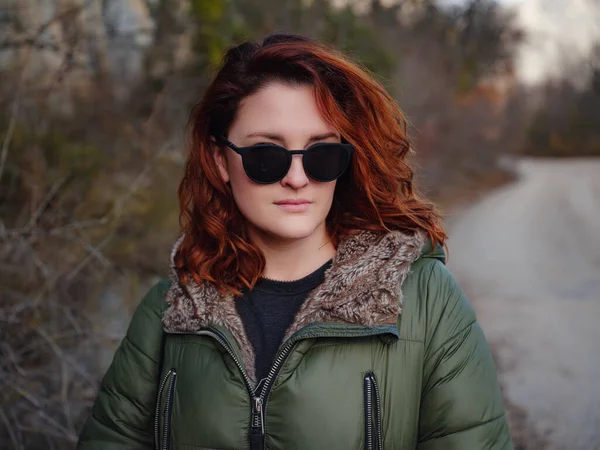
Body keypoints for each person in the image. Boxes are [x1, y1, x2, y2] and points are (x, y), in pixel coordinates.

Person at [77, 34, 512, 450]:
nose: (298, 178)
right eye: (267, 155)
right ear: (219, 159)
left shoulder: (428, 301)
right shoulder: (170, 310)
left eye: (322, 154)